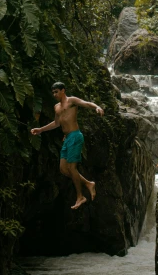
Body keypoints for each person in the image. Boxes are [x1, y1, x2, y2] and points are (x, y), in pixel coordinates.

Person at [30, 82, 104, 210]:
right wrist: (41, 129)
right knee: (63, 169)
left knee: (71, 167)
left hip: (75, 136)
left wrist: (96, 107)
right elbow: (56, 123)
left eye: (56, 92)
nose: (54, 94)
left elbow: (85, 103)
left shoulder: (72, 101)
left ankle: (80, 196)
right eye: (53, 92)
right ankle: (88, 183)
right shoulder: (56, 107)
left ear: (63, 90)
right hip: (67, 139)